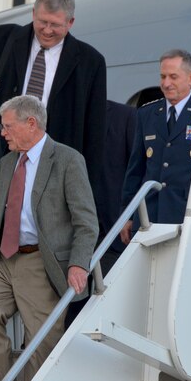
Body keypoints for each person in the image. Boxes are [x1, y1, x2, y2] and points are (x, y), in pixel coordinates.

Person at [0, 95, 98, 381]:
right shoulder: (5, 164)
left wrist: (78, 263)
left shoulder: (68, 160)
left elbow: (86, 220)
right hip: (4, 259)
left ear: (31, 124)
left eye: (7, 125)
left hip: (40, 260)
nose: (2, 132)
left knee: (42, 337)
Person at [0, 0, 107, 207]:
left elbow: (95, 133)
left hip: (51, 167)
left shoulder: (91, 62)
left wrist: (88, 193)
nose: (47, 30)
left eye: (55, 25)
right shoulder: (1, 40)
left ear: (70, 23)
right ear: (33, 13)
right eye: (42, 22)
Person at [120, 49, 191, 242]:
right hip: (150, 217)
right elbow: (136, 169)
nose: (166, 83)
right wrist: (127, 213)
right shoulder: (147, 114)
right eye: (163, 76)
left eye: (173, 77)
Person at [64, 99, 137, 329]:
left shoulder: (125, 116)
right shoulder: (62, 114)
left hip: (112, 233)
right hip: (68, 236)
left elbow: (137, 169)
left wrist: (128, 215)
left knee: (101, 310)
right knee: (72, 312)